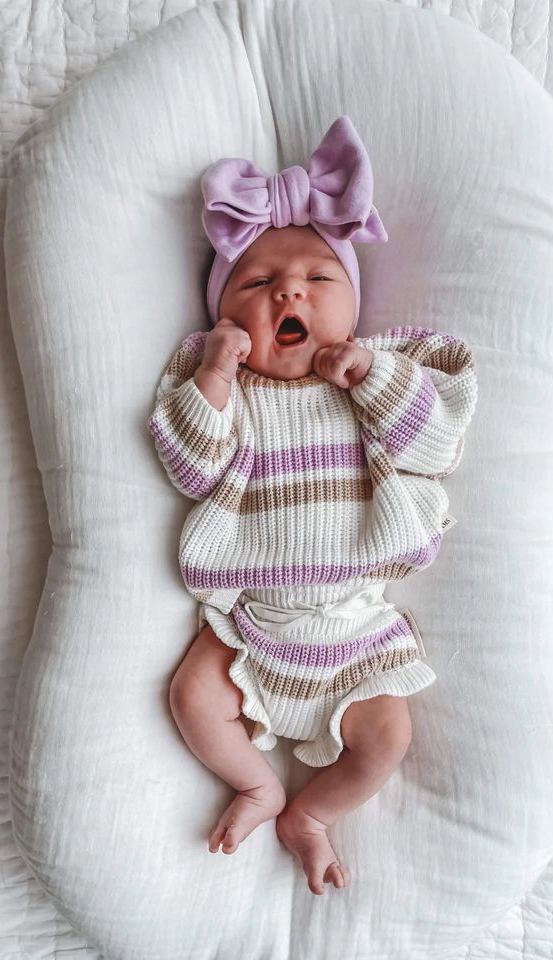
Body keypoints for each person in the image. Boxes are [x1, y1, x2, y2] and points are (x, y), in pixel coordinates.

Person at [147, 115, 478, 895]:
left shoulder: (376, 372)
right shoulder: (228, 387)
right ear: (224, 319)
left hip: (356, 626)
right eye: (256, 285)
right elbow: (189, 469)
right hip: (253, 623)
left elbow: (440, 443)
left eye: (318, 280)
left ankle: (312, 815)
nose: (289, 290)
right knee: (192, 695)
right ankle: (257, 785)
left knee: (387, 734)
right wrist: (215, 378)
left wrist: (373, 377)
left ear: (354, 306)